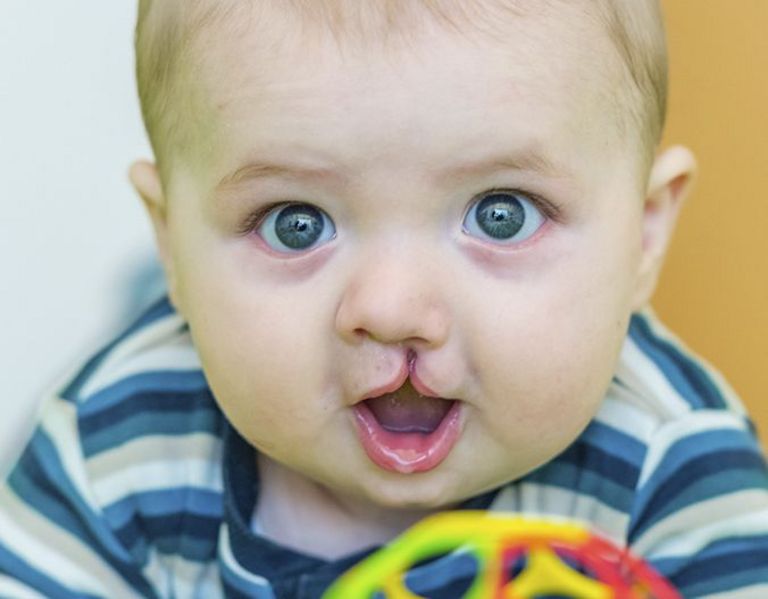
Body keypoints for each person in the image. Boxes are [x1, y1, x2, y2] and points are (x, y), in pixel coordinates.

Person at [2, 1, 767, 597]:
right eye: (296, 225)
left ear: (643, 234)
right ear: (175, 242)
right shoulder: (113, 446)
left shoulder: (679, 479)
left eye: (501, 214)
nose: (394, 307)